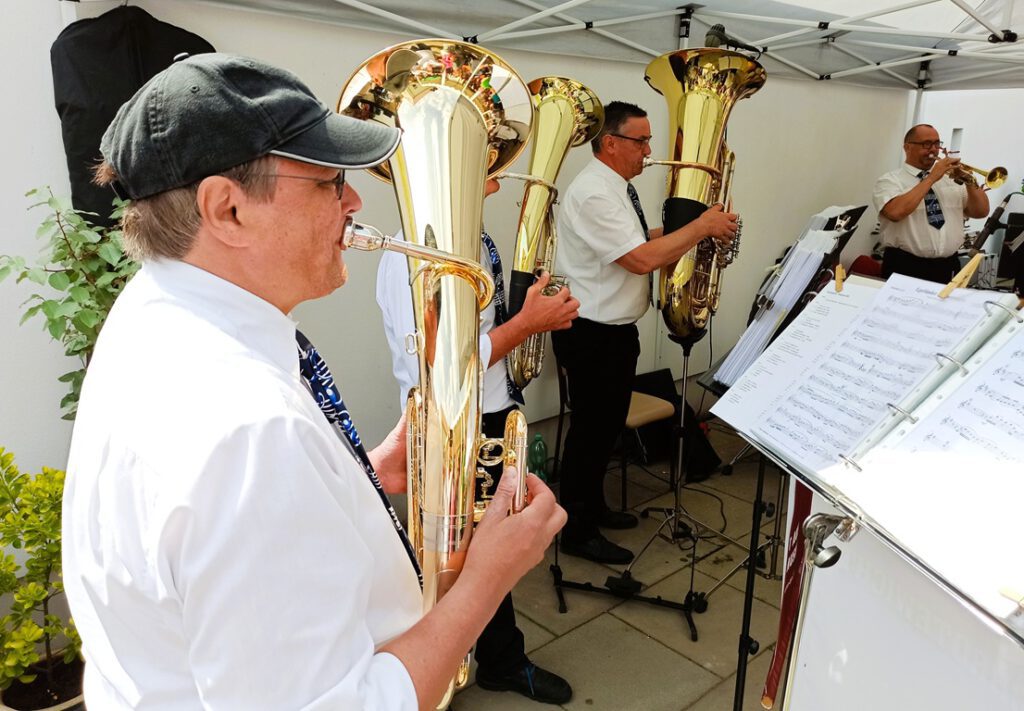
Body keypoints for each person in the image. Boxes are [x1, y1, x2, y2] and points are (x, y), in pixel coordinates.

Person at [61, 52, 566, 711]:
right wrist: (490, 574)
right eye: (329, 182)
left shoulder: (154, 310)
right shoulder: (250, 433)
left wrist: (362, 473)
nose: (355, 200)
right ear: (228, 209)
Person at [375, 176, 578, 704]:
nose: (498, 163)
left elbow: (474, 334)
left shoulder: (471, 239)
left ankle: (481, 657)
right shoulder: (412, 254)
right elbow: (439, 366)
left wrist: (528, 309)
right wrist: (529, 323)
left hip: (488, 413)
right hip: (449, 425)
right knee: (464, 555)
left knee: (484, 547)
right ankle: (487, 662)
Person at [551, 101, 737, 565]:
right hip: (592, 333)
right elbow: (638, 259)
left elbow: (635, 239)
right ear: (611, 143)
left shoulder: (614, 188)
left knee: (605, 428)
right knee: (591, 434)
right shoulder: (595, 192)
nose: (649, 150)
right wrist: (698, 227)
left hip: (613, 332)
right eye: (641, 141)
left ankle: (591, 509)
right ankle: (576, 531)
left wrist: (688, 228)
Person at [873, 123, 990, 283]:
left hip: (947, 265)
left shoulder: (951, 180)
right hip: (905, 265)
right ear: (907, 147)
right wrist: (931, 178)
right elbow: (895, 212)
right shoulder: (890, 181)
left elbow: (981, 212)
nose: (933, 149)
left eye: (937, 144)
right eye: (926, 144)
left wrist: (969, 181)